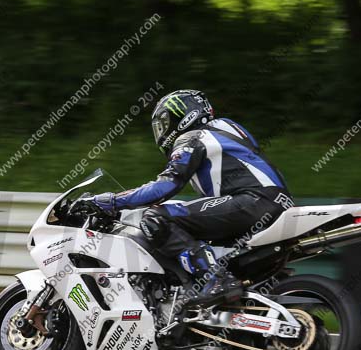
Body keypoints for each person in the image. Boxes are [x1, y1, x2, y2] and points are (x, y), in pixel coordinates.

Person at [86, 89, 293, 308]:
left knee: (157, 217)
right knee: (189, 222)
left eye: (165, 123)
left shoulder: (193, 137)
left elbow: (166, 185)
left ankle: (215, 280)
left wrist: (112, 201)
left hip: (253, 200)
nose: (162, 131)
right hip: (272, 201)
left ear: (183, 116)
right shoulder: (225, 129)